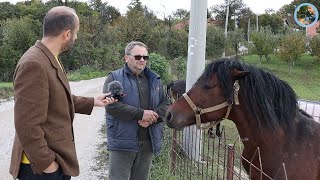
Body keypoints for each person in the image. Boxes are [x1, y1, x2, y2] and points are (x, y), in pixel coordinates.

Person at [9, 6, 117, 180]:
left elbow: (55, 98)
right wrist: (48, 165)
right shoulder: (34, 63)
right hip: (39, 169)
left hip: (50, 163)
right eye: (76, 32)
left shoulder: (48, 57)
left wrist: (92, 101)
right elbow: (26, 125)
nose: (76, 37)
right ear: (66, 34)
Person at [103, 41, 170, 180]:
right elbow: (111, 106)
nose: (142, 60)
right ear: (126, 57)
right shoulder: (115, 78)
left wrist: (153, 117)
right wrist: (141, 114)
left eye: (145, 57)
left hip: (148, 142)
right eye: (138, 56)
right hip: (122, 142)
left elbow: (166, 103)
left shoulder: (155, 79)